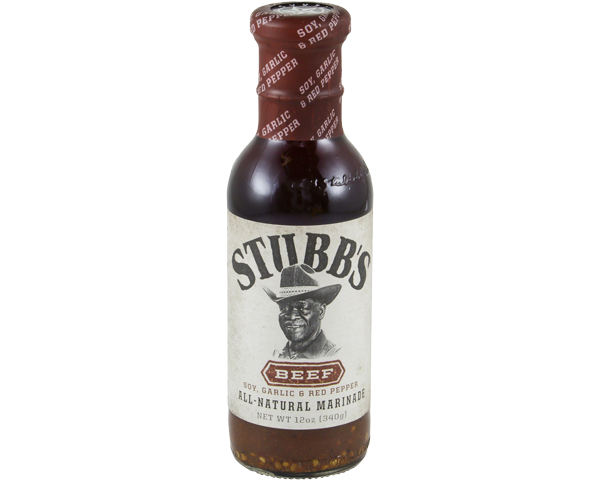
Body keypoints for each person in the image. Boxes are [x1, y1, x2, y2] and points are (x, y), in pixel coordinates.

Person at [263, 264, 342, 359]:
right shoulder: (276, 355)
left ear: (321, 311)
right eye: (284, 308)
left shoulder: (336, 356)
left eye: (302, 308)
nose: (292, 317)